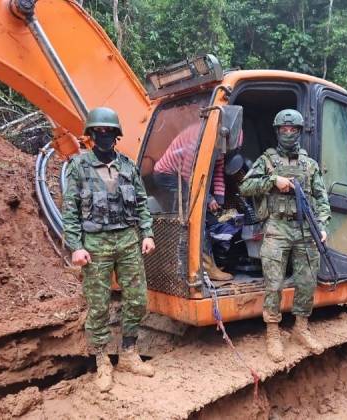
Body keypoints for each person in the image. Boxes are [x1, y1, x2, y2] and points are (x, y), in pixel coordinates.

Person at [61, 107, 156, 392]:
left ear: (116, 135)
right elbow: (70, 211)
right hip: (95, 245)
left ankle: (128, 353)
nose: (104, 136)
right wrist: (75, 247)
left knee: (138, 301)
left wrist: (147, 233)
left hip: (127, 241)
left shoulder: (128, 165)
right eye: (98, 131)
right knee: (99, 306)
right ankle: (102, 361)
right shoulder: (79, 167)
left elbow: (141, 202)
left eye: (108, 131)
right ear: (91, 135)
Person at [239, 109, 331, 363]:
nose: (288, 134)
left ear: (299, 132)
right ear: (277, 132)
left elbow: (322, 198)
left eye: (293, 130)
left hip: (304, 228)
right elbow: (245, 187)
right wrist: (273, 180)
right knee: (274, 283)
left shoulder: (309, 165)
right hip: (277, 227)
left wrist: (322, 225)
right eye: (284, 130)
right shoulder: (267, 160)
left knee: (307, 281)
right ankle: (273, 333)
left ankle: (301, 328)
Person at [153, 120, 233, 281]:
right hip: (168, 175)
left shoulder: (222, 139)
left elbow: (217, 172)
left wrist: (219, 201)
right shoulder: (195, 140)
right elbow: (191, 177)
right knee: (196, 216)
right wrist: (208, 199)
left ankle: (214, 262)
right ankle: (206, 268)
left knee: (211, 216)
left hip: (188, 176)